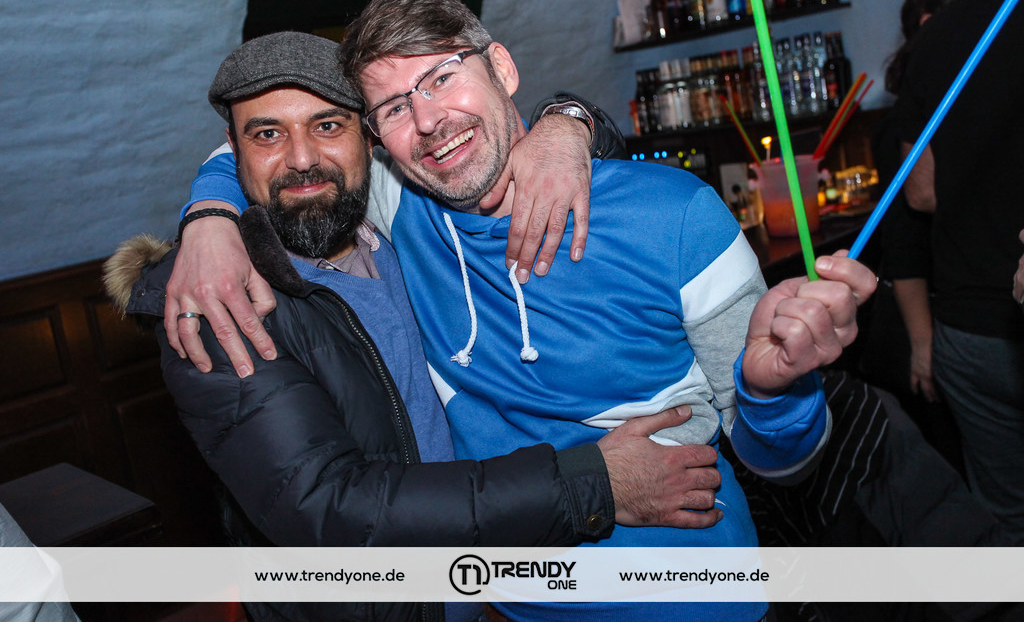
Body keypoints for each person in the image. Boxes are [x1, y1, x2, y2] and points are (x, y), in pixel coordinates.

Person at [170, 0, 876, 621]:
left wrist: (775, 393)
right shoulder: (400, 206)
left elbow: (784, 464)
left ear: (502, 69)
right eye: (394, 107)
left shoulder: (678, 217)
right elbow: (281, 146)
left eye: (442, 77)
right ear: (378, 136)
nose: (429, 120)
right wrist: (207, 217)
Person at [105, 31, 726, 622]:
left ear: (369, 137)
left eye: (328, 125)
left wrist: (567, 122)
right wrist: (593, 484)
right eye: (267, 134)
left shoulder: (401, 227)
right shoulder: (218, 303)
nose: (302, 158)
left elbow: (487, 138)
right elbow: (331, 509)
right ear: (235, 149)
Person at [893, 0, 1024, 540]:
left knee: (1006, 519)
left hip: (971, 324)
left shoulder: (942, 33)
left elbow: (920, 193)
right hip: (981, 320)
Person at [862, 0, 993, 468]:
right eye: (976, 6)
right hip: (928, 325)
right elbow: (903, 240)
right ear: (932, 24)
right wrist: (923, 343)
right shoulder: (907, 123)